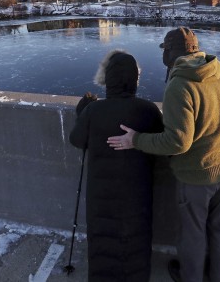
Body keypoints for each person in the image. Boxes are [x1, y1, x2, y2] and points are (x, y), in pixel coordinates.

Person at [107, 27, 220, 282]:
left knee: (193, 235)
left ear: (171, 54)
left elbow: (178, 142)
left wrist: (135, 139)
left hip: (198, 177)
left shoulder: (180, 85)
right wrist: (218, 132)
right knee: (218, 231)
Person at [69, 50, 164, 281]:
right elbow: (163, 145)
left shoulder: (94, 111)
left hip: (101, 195)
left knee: (103, 238)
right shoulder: (148, 110)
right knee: (137, 237)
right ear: (134, 80)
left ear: (108, 79)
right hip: (137, 193)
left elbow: (77, 140)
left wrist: (81, 112)